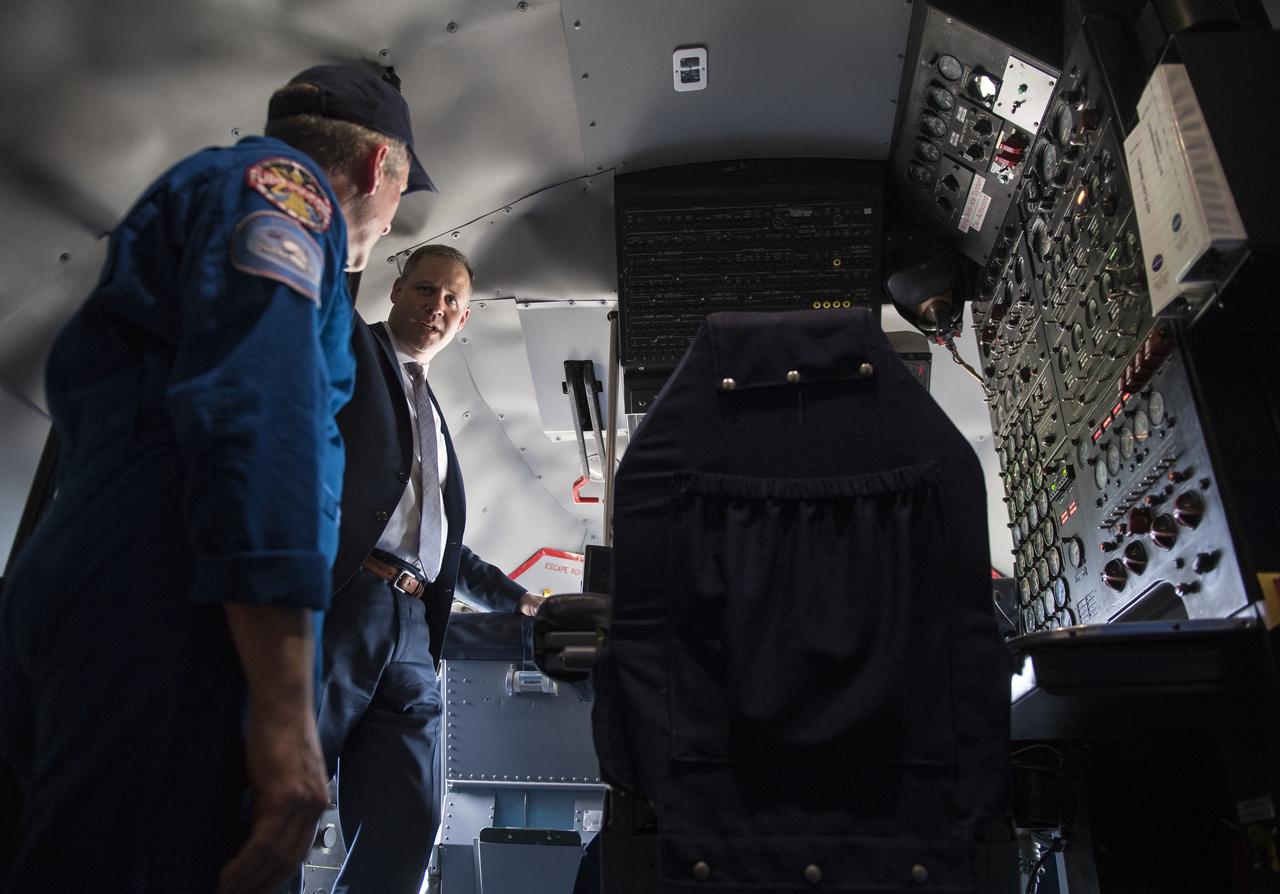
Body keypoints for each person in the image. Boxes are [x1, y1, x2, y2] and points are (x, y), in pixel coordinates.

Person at [0, 61, 434, 894]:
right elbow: (263, 418)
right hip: (173, 588)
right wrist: (282, 714)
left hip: (106, 564)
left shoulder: (217, 188)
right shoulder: (287, 194)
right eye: (402, 191)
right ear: (380, 167)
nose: (388, 221)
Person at [314, 244, 544, 892]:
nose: (435, 308)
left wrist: (520, 601)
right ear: (395, 292)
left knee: (410, 817)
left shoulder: (435, 418)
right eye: (424, 290)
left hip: (416, 625)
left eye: (450, 300)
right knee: (284, 793)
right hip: (345, 600)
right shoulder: (349, 356)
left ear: (464, 320)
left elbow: (442, 545)